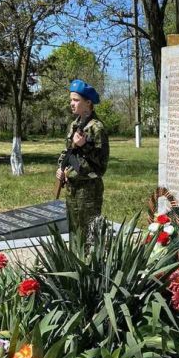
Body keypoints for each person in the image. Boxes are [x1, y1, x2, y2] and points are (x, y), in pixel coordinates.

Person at [56, 79, 109, 244]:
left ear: (88, 103)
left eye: (76, 100)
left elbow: (101, 163)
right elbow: (68, 151)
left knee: (89, 234)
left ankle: (90, 267)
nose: (72, 103)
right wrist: (60, 168)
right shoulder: (74, 125)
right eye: (71, 99)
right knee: (74, 231)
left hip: (88, 189)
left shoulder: (96, 127)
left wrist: (85, 145)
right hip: (72, 186)